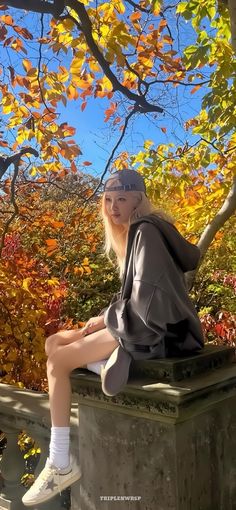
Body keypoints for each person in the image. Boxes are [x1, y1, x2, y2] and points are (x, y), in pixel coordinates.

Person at [22, 169, 204, 506]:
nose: (113, 207)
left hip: (157, 331)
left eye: (121, 198)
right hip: (141, 322)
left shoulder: (145, 230)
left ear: (138, 199)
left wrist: (105, 321)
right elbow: (140, 295)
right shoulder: (139, 232)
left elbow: (149, 302)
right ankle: (106, 361)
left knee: (58, 361)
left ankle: (60, 461)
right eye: (108, 200)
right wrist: (102, 319)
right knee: (53, 342)